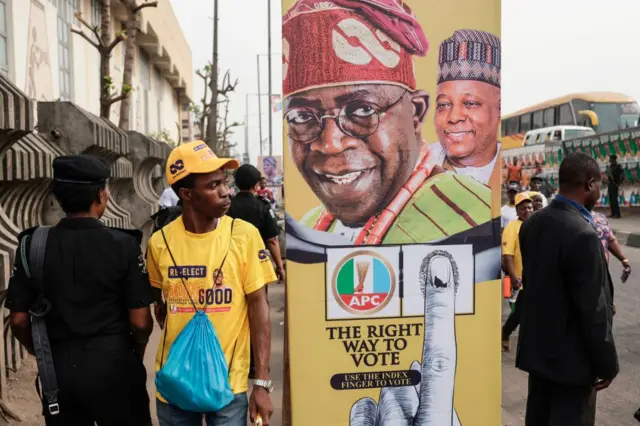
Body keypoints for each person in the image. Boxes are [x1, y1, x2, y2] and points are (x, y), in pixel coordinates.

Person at [283, 0, 494, 245]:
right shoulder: (310, 228)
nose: (330, 144)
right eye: (302, 116)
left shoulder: (473, 221)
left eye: (362, 110)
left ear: (416, 113)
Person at [7, 155, 153, 425]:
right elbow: (140, 321)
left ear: (58, 197)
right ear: (100, 195)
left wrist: (40, 351)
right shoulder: (124, 245)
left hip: (60, 372)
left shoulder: (32, 245)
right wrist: (137, 348)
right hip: (117, 366)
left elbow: (18, 320)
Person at [147, 141, 277, 426]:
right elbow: (160, 308)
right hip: (174, 386)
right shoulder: (160, 243)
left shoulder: (244, 236)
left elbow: (259, 308)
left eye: (225, 182)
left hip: (229, 389)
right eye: (213, 185)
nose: (225, 192)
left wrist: (262, 383)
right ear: (187, 194)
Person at [518, 152, 618, 426]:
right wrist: (607, 363)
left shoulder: (532, 223)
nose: (600, 190)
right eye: (599, 184)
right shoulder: (582, 234)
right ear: (588, 185)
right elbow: (592, 310)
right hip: (572, 365)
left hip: (539, 357)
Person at [429, 30, 501, 190]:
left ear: (500, 108)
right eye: (444, 104)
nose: (454, 117)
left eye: (470, 103)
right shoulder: (415, 167)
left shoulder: (515, 169)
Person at [228, 164, 285, 283]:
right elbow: (272, 240)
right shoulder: (263, 206)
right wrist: (279, 266)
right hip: (257, 263)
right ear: (256, 186)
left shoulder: (227, 206)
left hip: (231, 262)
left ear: (237, 184)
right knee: (259, 299)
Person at [501, 192, 534, 352]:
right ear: (517, 210)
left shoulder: (536, 225)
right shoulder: (511, 227)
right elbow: (508, 255)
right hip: (519, 280)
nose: (527, 210)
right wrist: (513, 276)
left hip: (536, 277)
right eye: (523, 208)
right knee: (519, 313)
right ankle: (505, 332)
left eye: (529, 207)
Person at [591, 210, 632, 282]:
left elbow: (610, 240)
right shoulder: (567, 218)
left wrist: (624, 260)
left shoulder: (600, 217)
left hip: (602, 274)